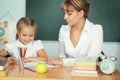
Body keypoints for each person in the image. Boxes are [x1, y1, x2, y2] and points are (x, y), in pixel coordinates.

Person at [48, 0, 103, 66]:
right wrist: (61, 61)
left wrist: (63, 62)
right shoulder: (63, 30)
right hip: (67, 74)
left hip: (88, 74)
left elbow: (91, 61)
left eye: (69, 14)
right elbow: (61, 57)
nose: (65, 17)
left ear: (81, 13)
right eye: (64, 13)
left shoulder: (96, 30)